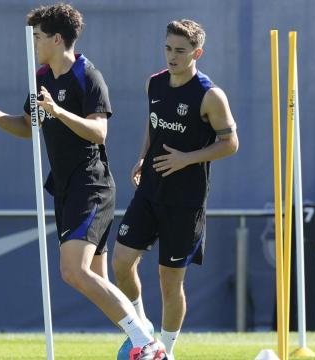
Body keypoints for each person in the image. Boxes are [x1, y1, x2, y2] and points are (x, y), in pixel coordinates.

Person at [0, 4, 166, 359]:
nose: (33, 42)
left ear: (57, 38)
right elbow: (29, 127)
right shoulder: (42, 77)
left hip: (91, 186)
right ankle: (143, 331)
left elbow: (99, 132)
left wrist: (58, 111)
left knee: (72, 271)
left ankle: (146, 343)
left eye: (38, 36)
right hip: (64, 187)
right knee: (94, 279)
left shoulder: (88, 76)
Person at [112, 19, 239, 359]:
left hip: (185, 202)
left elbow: (230, 143)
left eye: (180, 51)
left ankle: (165, 352)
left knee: (170, 283)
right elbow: (153, 126)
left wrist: (188, 158)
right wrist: (142, 157)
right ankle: (142, 331)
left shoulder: (210, 95)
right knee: (120, 262)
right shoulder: (154, 84)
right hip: (150, 192)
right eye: (168, 48)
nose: (172, 56)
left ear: (197, 52)